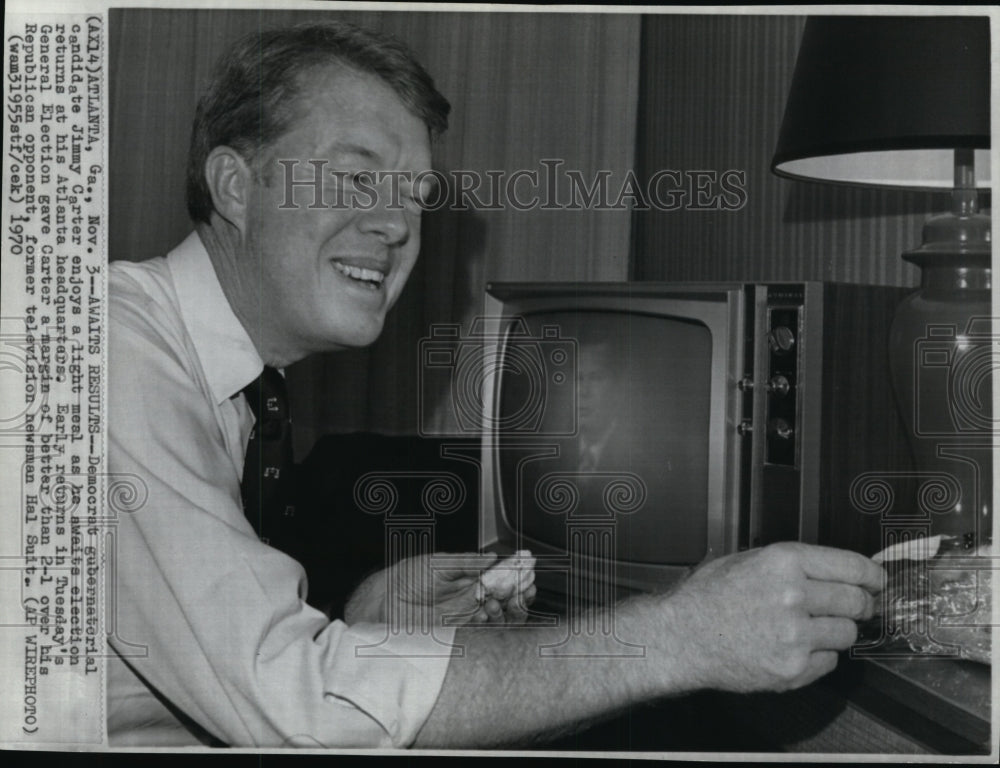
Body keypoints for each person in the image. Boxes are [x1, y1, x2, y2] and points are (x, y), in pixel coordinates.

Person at [108, 20, 885, 749]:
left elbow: (225, 652)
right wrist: (683, 637)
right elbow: (297, 707)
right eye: (354, 179)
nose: (397, 225)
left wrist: (360, 620)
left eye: (414, 196)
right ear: (235, 188)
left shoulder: (230, 380)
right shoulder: (114, 355)